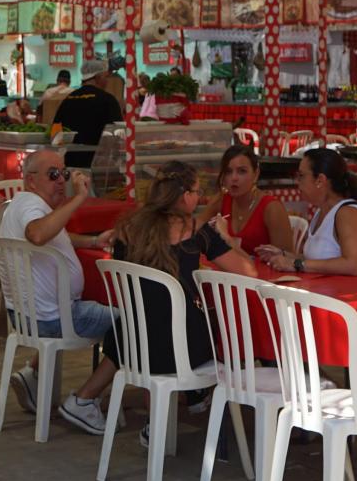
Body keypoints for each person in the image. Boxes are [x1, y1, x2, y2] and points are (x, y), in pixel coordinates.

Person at [103, 162, 256, 414]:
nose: (199, 197)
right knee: (217, 323)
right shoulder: (194, 230)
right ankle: (202, 398)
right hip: (183, 349)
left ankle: (168, 414)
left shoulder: (127, 228)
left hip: (136, 344)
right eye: (197, 192)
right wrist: (226, 237)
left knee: (153, 317)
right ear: (185, 196)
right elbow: (248, 271)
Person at [0, 149, 120, 435]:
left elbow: (52, 236)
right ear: (31, 181)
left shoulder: (22, 205)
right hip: (55, 319)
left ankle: (34, 373)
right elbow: (38, 235)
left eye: (63, 174)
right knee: (135, 323)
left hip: (26, 317)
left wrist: (92, 239)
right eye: (53, 174)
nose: (61, 181)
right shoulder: (31, 206)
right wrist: (78, 199)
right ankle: (84, 400)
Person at [255, 147, 357, 276]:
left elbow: (354, 265)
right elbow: (320, 261)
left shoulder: (348, 213)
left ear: (320, 180)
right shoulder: (321, 212)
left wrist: (296, 264)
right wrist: (284, 255)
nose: (297, 182)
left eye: (301, 176)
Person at [198, 144, 293, 250]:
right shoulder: (222, 199)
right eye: (228, 172)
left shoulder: (272, 208)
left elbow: (287, 257)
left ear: (256, 174)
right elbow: (195, 231)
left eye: (242, 171)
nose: (234, 178)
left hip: (264, 266)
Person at [51, 58, 124, 168]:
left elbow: (55, 132)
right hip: (99, 164)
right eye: (105, 77)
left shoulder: (68, 99)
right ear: (98, 78)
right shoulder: (108, 100)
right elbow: (118, 133)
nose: (107, 81)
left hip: (70, 162)